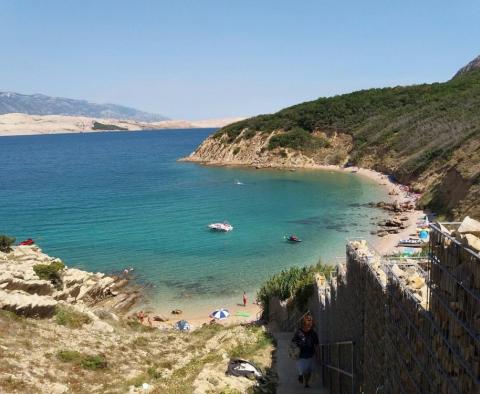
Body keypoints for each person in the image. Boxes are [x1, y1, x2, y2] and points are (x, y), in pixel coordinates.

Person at [291, 314, 319, 388]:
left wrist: (317, 354)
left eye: (310, 326)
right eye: (307, 326)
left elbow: (316, 344)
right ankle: (300, 375)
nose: (308, 328)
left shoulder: (313, 333)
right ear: (303, 324)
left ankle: (306, 383)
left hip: (310, 353)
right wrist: (294, 351)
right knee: (302, 368)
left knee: (309, 370)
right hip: (300, 354)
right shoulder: (298, 333)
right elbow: (293, 342)